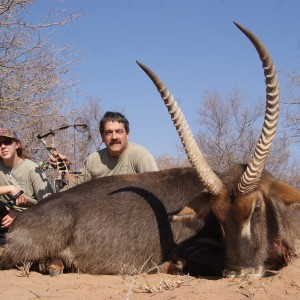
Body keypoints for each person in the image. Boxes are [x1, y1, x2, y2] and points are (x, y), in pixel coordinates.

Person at [50, 111, 159, 187]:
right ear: (102, 137)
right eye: (109, 133)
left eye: (119, 131)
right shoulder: (93, 160)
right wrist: (63, 168)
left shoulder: (141, 156)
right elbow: (76, 189)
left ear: (127, 135)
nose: (114, 137)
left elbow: (157, 188)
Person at [0, 128, 53, 233]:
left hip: (30, 221)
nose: (3, 146)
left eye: (7, 142)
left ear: (17, 144)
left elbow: (50, 204)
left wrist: (19, 217)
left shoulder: (32, 168)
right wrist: (10, 188)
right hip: (4, 217)